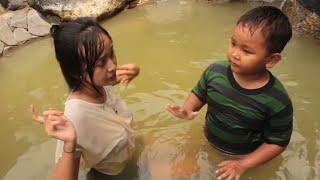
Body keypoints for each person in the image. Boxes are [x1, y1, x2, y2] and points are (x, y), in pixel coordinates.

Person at [166, 6, 293, 180]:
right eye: (233, 43)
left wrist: (244, 164)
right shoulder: (215, 72)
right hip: (208, 140)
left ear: (271, 60)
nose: (234, 54)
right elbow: (199, 93)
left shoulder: (277, 101)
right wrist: (188, 109)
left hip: (244, 157)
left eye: (246, 51)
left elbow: (278, 142)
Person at [30, 17, 140, 179]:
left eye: (112, 52)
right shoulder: (76, 118)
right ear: (75, 72)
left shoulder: (101, 82)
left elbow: (119, 75)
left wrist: (136, 70)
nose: (112, 66)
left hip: (132, 156)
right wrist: (69, 144)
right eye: (101, 62)